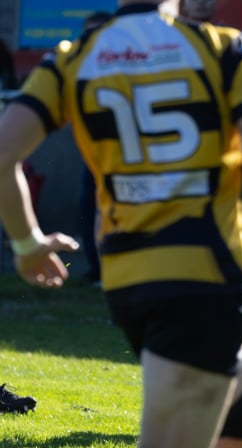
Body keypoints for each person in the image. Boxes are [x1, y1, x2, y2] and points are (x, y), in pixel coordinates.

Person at [0, 1, 242, 448]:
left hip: (129, 278)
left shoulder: (75, 57)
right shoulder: (220, 49)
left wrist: (27, 243)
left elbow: (4, 153)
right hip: (200, 277)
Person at [78, 11, 114, 285]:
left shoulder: (127, 62)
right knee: (92, 210)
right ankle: (99, 270)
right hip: (94, 151)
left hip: (132, 157)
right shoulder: (79, 64)